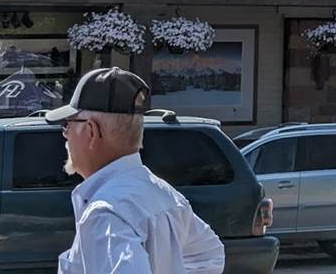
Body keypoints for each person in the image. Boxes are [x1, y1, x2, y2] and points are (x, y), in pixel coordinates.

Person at [50, 67, 225, 273]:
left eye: (67, 125)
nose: (65, 135)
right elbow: (210, 257)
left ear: (91, 130)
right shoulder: (162, 193)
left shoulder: (106, 213)